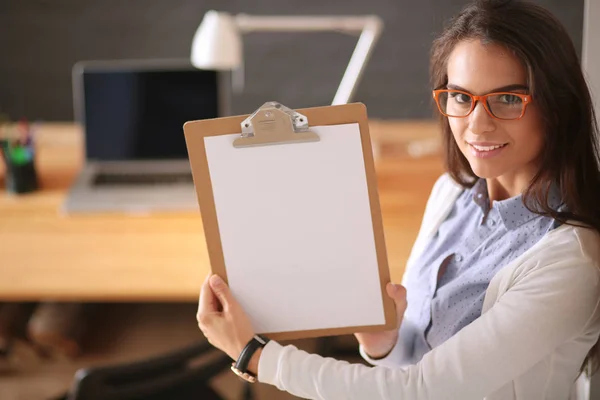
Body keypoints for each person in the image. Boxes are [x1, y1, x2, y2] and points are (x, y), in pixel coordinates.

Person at [196, 0, 600, 398]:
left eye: (508, 99)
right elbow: (417, 363)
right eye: (460, 97)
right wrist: (384, 342)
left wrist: (253, 355)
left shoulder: (570, 261)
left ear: (557, 105)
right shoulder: (452, 194)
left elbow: (420, 390)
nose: (477, 124)